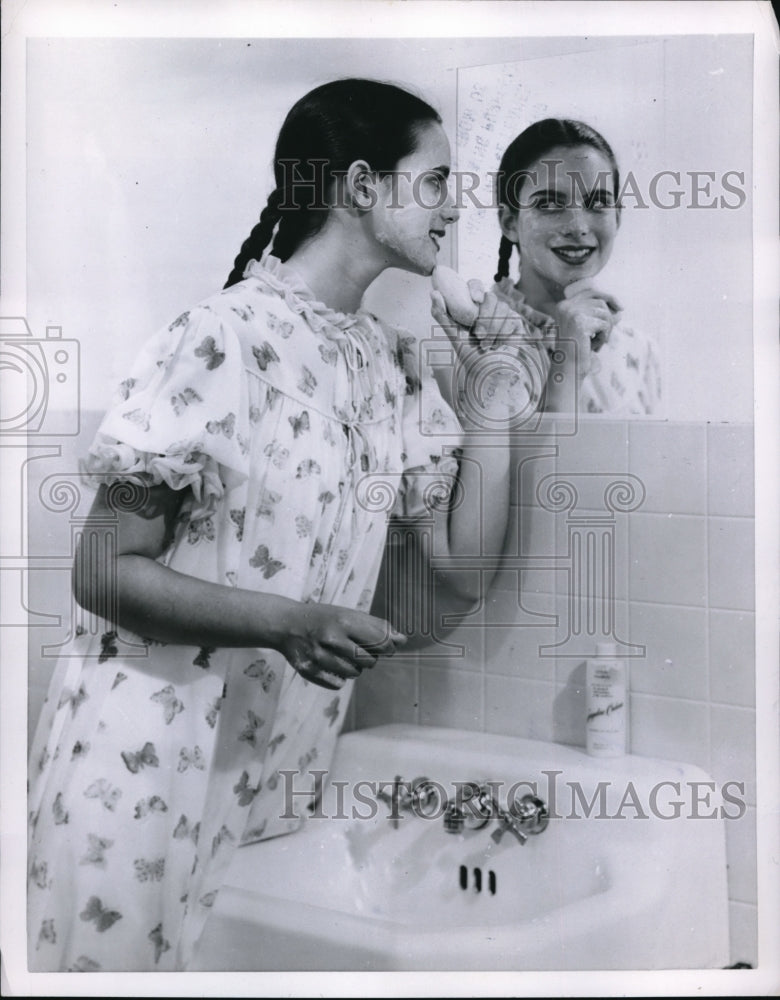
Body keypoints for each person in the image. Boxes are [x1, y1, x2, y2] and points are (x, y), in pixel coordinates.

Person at [27, 78, 549, 972]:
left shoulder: (387, 368)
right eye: (433, 182)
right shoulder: (219, 338)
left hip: (270, 783)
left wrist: (496, 395)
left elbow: (461, 565)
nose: (450, 209)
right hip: (141, 772)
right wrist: (292, 623)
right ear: (358, 187)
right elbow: (104, 572)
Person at [493, 118, 661, 415]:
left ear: (618, 218)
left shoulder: (639, 351)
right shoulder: (470, 339)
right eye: (549, 204)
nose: (578, 227)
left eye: (597, 203)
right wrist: (567, 363)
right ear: (510, 223)